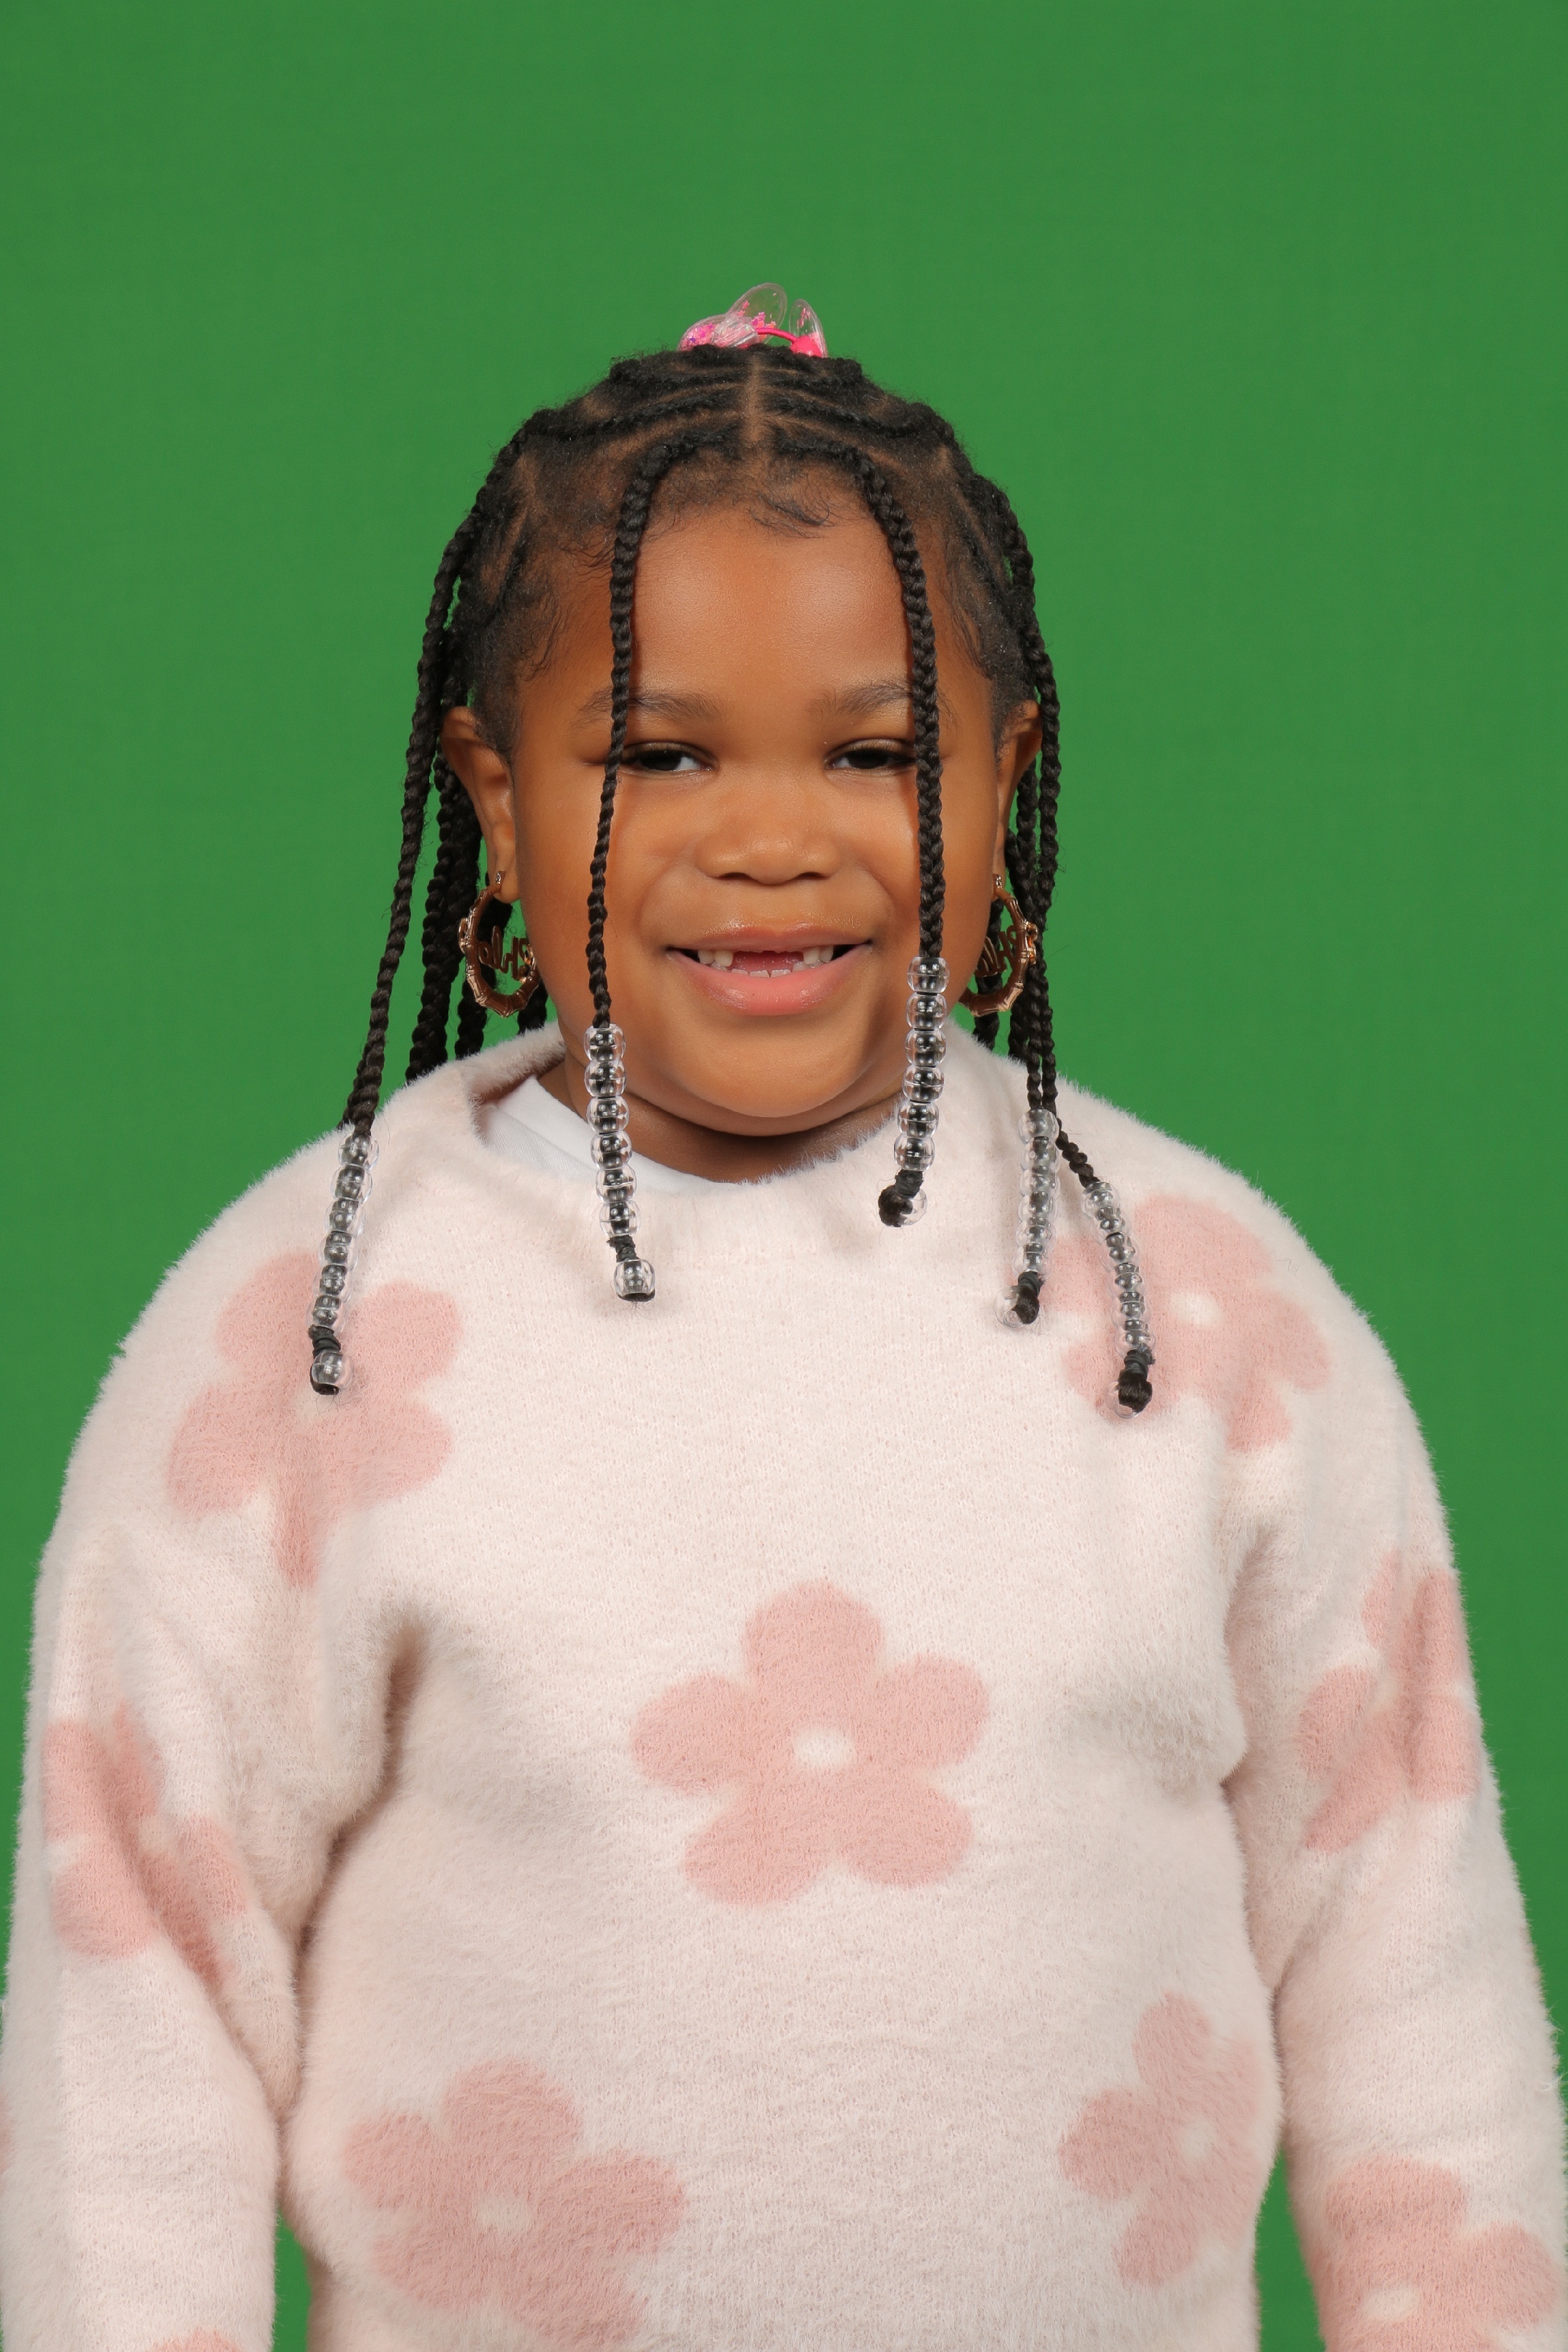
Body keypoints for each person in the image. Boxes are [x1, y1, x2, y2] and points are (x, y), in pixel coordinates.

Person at [1, 284, 1561, 2352]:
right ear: (494, 796)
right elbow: (136, 2013)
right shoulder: (316, 1335)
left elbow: (1412, 1977)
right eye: (658, 753)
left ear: (1007, 782)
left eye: (875, 751)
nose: (768, 839)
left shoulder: (1198, 1314)